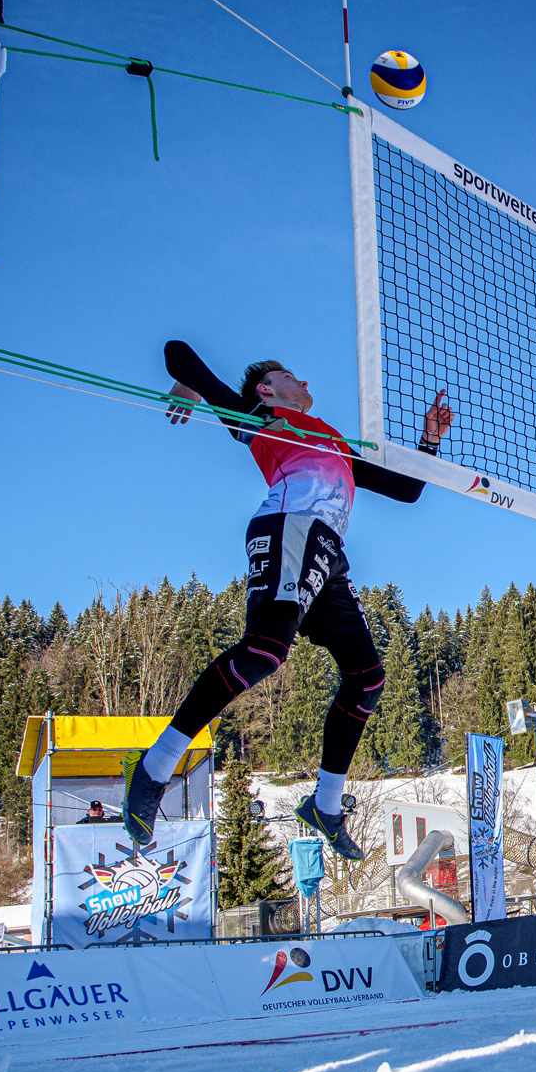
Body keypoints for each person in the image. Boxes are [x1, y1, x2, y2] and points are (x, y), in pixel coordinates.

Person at [122, 343, 449, 855]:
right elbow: (175, 352)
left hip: (327, 550)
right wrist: (199, 388)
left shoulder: (332, 439)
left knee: (368, 678)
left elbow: (406, 491)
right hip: (289, 528)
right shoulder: (261, 416)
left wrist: (429, 441)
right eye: (290, 374)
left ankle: (326, 802)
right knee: (264, 652)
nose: (303, 378)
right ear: (267, 389)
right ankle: (155, 766)